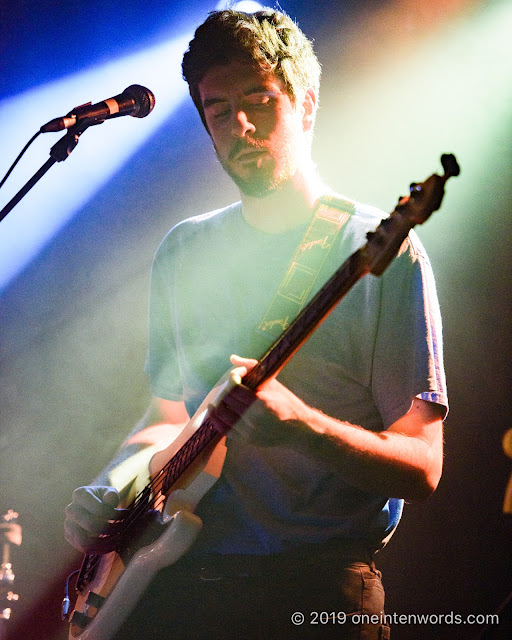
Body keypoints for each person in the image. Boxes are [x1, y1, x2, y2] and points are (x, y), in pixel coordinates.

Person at [64, 8, 447, 639]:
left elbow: (424, 465)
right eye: (218, 111)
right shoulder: (183, 251)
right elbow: (166, 415)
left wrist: (302, 427)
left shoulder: (376, 249)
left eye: (259, 101)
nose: (239, 125)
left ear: (307, 104)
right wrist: (110, 488)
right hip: (178, 579)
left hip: (317, 589)